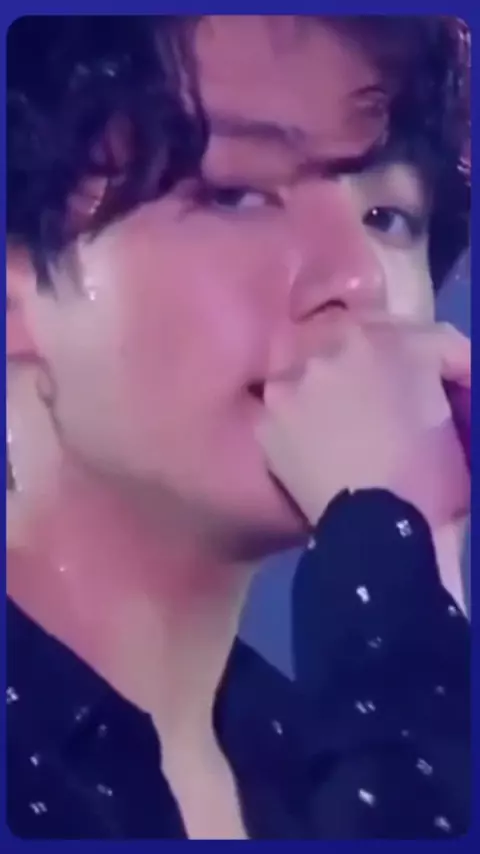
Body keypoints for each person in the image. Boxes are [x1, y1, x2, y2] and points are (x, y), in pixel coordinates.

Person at [6, 14, 470, 839]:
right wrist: (394, 550)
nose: (360, 280)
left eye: (388, 216)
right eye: (237, 196)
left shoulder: (318, 759)